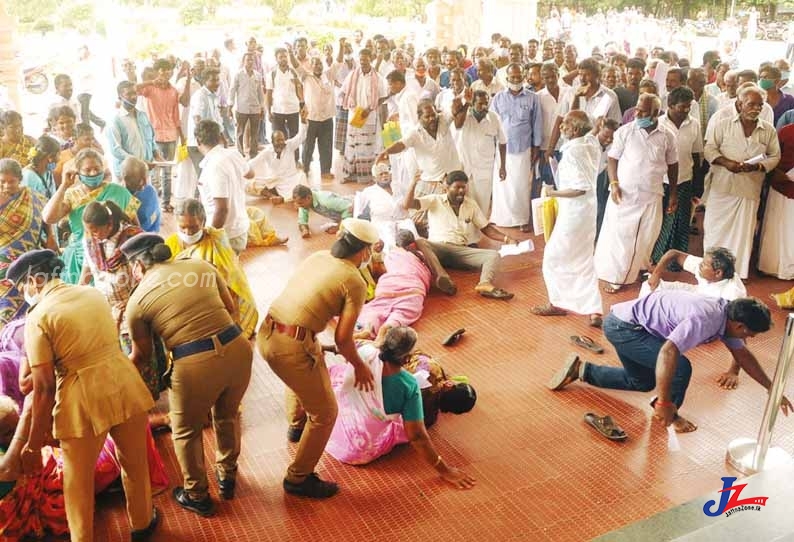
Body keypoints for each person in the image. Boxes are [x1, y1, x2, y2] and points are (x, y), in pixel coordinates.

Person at [8, 249, 158, 541]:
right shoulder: (93, 294)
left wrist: (32, 445)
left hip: (82, 399)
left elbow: (44, 388)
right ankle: (141, 525)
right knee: (135, 463)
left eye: (24, 285)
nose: (26, 291)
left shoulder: (38, 317)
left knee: (77, 482)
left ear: (34, 281)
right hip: (124, 383)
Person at [123, 233, 253, 516]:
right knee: (227, 415)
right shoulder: (201, 267)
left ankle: (196, 494)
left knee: (185, 430)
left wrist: (116, 377)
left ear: (137, 266)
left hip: (194, 364)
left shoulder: (138, 300)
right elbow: (230, 309)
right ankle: (227, 476)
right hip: (238, 349)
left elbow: (142, 356)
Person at [256, 218, 378, 499]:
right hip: (292, 346)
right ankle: (298, 478)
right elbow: (344, 339)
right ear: (364, 252)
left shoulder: (319, 256)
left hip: (268, 332)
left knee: (307, 369)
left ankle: (296, 426)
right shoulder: (354, 281)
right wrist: (359, 365)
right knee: (326, 413)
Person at [549, 292, 792, 433]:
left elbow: (743, 356)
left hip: (634, 324)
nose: (747, 339)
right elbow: (668, 352)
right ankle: (668, 413)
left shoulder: (728, 316)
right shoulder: (705, 318)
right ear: (739, 325)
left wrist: (773, 389)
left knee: (641, 382)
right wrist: (665, 402)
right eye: (749, 334)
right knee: (680, 367)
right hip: (624, 327)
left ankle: (581, 370)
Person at [325, 327, 476, 490]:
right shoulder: (409, 385)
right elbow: (417, 437)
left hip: (328, 427)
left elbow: (340, 345)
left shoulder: (364, 351)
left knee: (336, 373)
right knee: (408, 427)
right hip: (359, 452)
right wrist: (445, 471)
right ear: (406, 358)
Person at [594, 93, 678, 294]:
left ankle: (638, 268)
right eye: (637, 109)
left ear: (656, 113)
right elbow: (613, 159)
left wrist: (673, 193)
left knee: (647, 236)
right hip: (624, 193)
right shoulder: (625, 131)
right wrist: (614, 183)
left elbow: (673, 165)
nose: (637, 113)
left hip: (651, 194)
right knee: (620, 236)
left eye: (644, 111)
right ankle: (618, 278)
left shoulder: (667, 135)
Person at [531, 111, 603, 327]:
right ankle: (594, 310)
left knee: (553, 258)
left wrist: (551, 193)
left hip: (574, 213)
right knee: (583, 259)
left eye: (566, 125)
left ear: (575, 130)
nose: (561, 127)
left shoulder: (573, 152)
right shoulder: (591, 143)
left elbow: (578, 189)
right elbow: (590, 129)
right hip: (588, 212)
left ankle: (557, 303)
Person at [703, 86, 780, 279]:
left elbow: (775, 156)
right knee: (714, 229)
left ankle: (736, 274)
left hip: (748, 189)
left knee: (743, 233)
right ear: (739, 104)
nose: (756, 108)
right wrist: (726, 162)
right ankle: (710, 270)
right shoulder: (723, 124)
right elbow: (709, 149)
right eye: (751, 104)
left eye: (759, 105)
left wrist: (758, 167)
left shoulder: (768, 131)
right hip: (722, 187)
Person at [403, 170, 517, 300]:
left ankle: (484, 284)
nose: (461, 191)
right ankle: (443, 277)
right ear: (447, 188)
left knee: (493, 255)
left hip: (461, 251)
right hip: (438, 248)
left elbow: (486, 228)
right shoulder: (435, 200)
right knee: (420, 242)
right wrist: (413, 184)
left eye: (464, 187)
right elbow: (407, 205)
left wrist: (507, 239)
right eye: (457, 187)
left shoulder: (470, 204)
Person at [164, 199, 259, 339]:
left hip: (213, 299)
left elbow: (230, 276)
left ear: (203, 222)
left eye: (194, 227)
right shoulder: (171, 243)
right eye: (182, 227)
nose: (188, 232)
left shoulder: (216, 241)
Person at [43, 148, 140, 284]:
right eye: (87, 170)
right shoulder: (72, 195)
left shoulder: (119, 192)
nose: (93, 173)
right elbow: (48, 217)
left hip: (116, 259)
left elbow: (135, 226)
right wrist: (64, 185)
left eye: (97, 168)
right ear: (78, 173)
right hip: (80, 259)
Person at [0, 159, 55, 331]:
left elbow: (46, 216)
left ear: (19, 180)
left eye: (12, 181)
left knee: (32, 302)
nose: (7, 185)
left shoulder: (32, 197)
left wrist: (51, 236)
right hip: (3, 265)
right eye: (2, 182)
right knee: (5, 305)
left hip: (28, 262)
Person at [651, 86, 702, 263]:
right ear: (670, 105)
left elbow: (696, 153)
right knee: (661, 222)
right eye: (682, 107)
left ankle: (675, 262)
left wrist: (697, 183)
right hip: (662, 181)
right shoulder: (658, 124)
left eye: (689, 106)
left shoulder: (693, 123)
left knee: (680, 223)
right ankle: (655, 259)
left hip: (685, 179)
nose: (686, 110)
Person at [489, 63, 542, 230]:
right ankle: (502, 218)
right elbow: (491, 122)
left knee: (521, 185)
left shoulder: (533, 97)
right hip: (502, 149)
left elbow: (537, 123)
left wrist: (536, 147)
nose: (516, 80)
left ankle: (521, 220)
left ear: (523, 77)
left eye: (519, 77)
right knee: (502, 184)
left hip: (523, 148)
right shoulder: (498, 98)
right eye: (513, 77)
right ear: (507, 79)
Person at [355, 230, 432, 342]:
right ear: (412, 244)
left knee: (378, 307)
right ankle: (386, 328)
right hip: (412, 286)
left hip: (388, 285)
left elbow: (380, 268)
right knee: (403, 311)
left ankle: (368, 329)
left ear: (397, 243)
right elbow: (427, 273)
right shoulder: (419, 255)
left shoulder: (390, 255)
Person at [195, 120, 254, 254]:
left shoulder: (214, 166)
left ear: (198, 141)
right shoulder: (233, 154)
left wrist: (209, 237)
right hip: (240, 228)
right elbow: (251, 173)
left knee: (221, 273)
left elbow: (222, 209)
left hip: (226, 234)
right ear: (220, 136)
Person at [136, 58, 185, 212]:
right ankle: (151, 204)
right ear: (157, 71)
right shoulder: (150, 89)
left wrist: (182, 136)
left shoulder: (174, 91)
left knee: (168, 171)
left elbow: (176, 116)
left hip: (170, 135)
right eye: (161, 70)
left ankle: (165, 203)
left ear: (171, 72)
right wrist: (151, 81)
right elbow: (134, 88)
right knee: (150, 170)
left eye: (167, 70)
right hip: (152, 135)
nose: (164, 73)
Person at [452, 89, 507, 223]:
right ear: (473, 103)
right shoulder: (465, 115)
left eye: (486, 103)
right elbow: (457, 124)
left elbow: (503, 142)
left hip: (485, 170)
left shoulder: (494, 118)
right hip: (465, 170)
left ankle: (478, 237)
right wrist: (466, 105)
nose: (483, 107)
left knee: (482, 206)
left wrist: (502, 167)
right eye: (480, 103)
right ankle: (466, 236)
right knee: (464, 204)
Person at [340, 48, 388, 183]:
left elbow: (383, 97)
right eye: (361, 60)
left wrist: (370, 108)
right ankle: (350, 175)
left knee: (367, 148)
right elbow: (344, 91)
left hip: (369, 117)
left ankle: (365, 177)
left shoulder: (378, 78)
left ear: (371, 59)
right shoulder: (352, 75)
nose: (363, 62)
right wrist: (351, 103)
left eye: (366, 60)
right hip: (355, 115)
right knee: (352, 146)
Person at [758, 120, 794, 280]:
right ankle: (773, 266)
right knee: (778, 227)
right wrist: (776, 172)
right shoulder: (786, 131)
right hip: (781, 185)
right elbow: (772, 155)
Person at [247, 112, 308, 203]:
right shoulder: (267, 152)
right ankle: (273, 196)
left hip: (291, 180)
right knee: (250, 185)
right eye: (278, 140)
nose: (281, 142)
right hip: (274, 181)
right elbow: (253, 162)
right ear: (272, 142)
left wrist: (303, 121)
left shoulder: (289, 145)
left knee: (302, 177)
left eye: (282, 140)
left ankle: (283, 198)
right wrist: (238, 168)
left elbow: (301, 136)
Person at [107, 81, 159, 181]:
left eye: (135, 93)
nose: (133, 97)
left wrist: (156, 153)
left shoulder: (142, 115)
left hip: (145, 171)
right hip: (127, 173)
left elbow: (151, 138)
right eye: (129, 94)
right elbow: (116, 150)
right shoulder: (116, 120)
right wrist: (138, 162)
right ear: (120, 97)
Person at [300, 56, 336, 179]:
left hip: (327, 117)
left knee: (326, 146)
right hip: (311, 117)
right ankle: (304, 169)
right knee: (308, 145)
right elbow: (296, 66)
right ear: (311, 66)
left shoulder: (328, 75)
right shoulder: (306, 77)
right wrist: (290, 52)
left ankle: (325, 171)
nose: (318, 66)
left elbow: (339, 62)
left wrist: (341, 46)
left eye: (320, 63)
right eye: (315, 64)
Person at [230, 52, 265, 159]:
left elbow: (260, 93)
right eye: (248, 60)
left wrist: (262, 107)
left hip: (255, 108)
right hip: (242, 108)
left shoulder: (258, 75)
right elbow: (232, 90)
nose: (250, 62)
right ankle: (240, 154)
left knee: (255, 133)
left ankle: (253, 153)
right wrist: (230, 105)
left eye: (252, 60)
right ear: (243, 61)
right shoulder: (238, 75)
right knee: (240, 132)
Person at [122, 156, 161, 233]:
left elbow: (157, 215)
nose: (145, 183)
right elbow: (135, 231)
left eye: (146, 178)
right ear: (126, 179)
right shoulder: (126, 199)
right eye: (140, 179)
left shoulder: (150, 190)